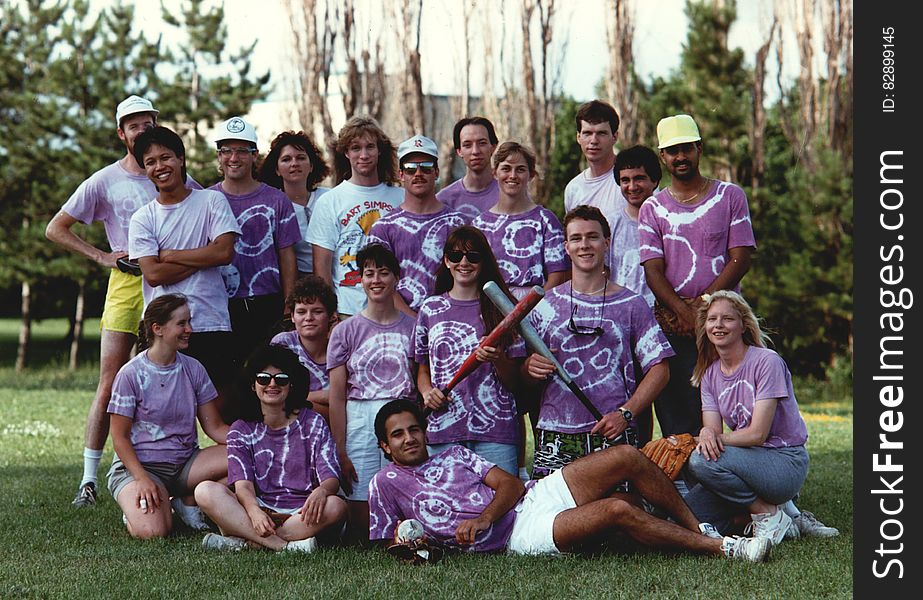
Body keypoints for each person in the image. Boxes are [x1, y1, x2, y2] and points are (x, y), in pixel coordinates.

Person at [368, 399, 770, 561]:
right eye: (398, 435)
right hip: (519, 535)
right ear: (385, 446)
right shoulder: (385, 483)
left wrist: (484, 517)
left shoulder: (454, 453)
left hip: (528, 499)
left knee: (627, 456)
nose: (409, 439)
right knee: (618, 509)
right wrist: (412, 546)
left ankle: (696, 525)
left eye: (413, 429)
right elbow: (386, 540)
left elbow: (509, 484)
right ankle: (723, 547)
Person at [45, 95, 201, 508]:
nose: (140, 130)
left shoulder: (173, 172)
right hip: (126, 282)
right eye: (131, 125)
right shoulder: (105, 180)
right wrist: (101, 256)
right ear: (121, 133)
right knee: (112, 380)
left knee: (175, 376)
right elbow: (55, 228)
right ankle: (89, 479)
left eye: (146, 122)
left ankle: (179, 479)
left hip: (168, 285)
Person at [522, 206, 673, 478]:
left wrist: (626, 414)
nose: (584, 245)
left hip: (611, 429)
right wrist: (529, 368)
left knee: (618, 514)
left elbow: (660, 369)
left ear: (606, 242)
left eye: (592, 237)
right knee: (551, 516)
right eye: (576, 238)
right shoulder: (545, 305)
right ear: (566, 247)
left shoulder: (632, 304)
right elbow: (522, 375)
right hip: (555, 432)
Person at [683, 291, 839, 543]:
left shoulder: (767, 362)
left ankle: (766, 513)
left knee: (701, 461)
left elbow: (758, 434)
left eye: (727, 319)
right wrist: (705, 433)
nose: (718, 325)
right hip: (747, 462)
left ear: (743, 324)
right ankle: (781, 517)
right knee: (685, 515)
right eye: (712, 319)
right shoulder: (710, 375)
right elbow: (712, 433)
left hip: (783, 461)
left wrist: (710, 438)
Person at [638, 114, 756, 446]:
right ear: (663, 157)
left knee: (739, 403)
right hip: (675, 324)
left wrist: (704, 307)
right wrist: (684, 313)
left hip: (724, 320)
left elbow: (741, 257)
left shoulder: (730, 196)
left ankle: (746, 481)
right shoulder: (653, 208)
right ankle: (688, 489)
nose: (680, 157)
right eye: (672, 151)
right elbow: (652, 270)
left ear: (699, 149)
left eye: (686, 149)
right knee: (680, 413)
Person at [128, 126, 242, 422]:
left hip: (211, 322)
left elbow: (224, 252)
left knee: (222, 413)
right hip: (161, 330)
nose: (159, 166)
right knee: (160, 413)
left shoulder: (211, 201)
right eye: (150, 162)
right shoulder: (143, 218)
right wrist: (203, 253)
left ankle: (228, 468)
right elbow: (153, 274)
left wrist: (171, 255)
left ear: (180, 159)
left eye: (165, 157)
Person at [194, 345, 347, 552]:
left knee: (336, 506)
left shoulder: (313, 422)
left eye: (281, 379)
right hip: (259, 507)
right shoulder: (241, 429)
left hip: (301, 512)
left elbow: (330, 476)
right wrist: (255, 512)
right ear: (252, 385)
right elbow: (243, 485)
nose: (272, 384)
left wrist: (322, 491)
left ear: (291, 384)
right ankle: (283, 547)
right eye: (263, 379)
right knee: (205, 491)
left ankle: (248, 542)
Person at [106, 294, 229, 539]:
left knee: (242, 455)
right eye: (181, 323)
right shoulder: (130, 374)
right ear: (157, 329)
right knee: (154, 532)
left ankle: (188, 500)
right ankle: (137, 508)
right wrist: (141, 479)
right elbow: (119, 437)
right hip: (140, 468)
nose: (189, 330)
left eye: (189, 322)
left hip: (185, 464)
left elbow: (214, 427)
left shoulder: (194, 368)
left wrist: (255, 438)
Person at [326, 244, 417, 543]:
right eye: (369, 273)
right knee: (360, 518)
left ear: (396, 278)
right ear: (360, 279)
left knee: (404, 487)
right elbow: (337, 396)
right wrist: (340, 447)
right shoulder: (345, 331)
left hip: (401, 412)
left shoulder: (414, 328)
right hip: (360, 416)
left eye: (383, 272)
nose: (376, 280)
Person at [416, 226, 524, 476]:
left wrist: (498, 359)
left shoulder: (504, 308)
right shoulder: (430, 309)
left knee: (502, 507)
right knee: (447, 505)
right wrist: (426, 392)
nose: (464, 262)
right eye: (455, 256)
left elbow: (517, 382)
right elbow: (422, 368)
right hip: (443, 427)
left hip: (496, 431)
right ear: (446, 261)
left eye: (473, 256)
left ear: (483, 261)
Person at [209, 117, 300, 366]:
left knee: (266, 373)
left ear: (254, 155)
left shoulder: (277, 200)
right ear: (219, 156)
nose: (233, 158)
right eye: (226, 151)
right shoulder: (206, 200)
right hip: (220, 302)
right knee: (227, 379)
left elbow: (286, 253)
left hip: (267, 302)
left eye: (241, 151)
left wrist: (289, 304)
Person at [307, 116, 404, 318]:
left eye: (370, 147)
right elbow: (322, 266)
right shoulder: (330, 201)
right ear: (345, 152)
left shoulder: (401, 197)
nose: (364, 155)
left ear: (380, 150)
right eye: (355, 148)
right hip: (349, 310)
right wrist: (330, 312)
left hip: (397, 310)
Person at [367, 134, 466, 317]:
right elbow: (379, 283)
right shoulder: (383, 229)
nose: (418, 173)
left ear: (436, 172)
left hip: (450, 322)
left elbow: (468, 278)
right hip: (398, 325)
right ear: (401, 174)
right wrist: (415, 321)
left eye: (426, 167)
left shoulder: (458, 224)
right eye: (411, 168)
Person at [472, 142, 569, 299]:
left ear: (531, 175)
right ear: (494, 173)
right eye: (506, 168)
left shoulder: (546, 221)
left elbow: (558, 275)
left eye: (520, 169)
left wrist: (530, 308)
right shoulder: (480, 225)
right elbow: (473, 275)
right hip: (491, 306)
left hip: (537, 306)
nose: (512, 175)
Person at [258, 130, 331, 277]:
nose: (294, 164)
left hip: (335, 275)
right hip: (296, 280)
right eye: (286, 159)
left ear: (311, 166)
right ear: (277, 169)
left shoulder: (329, 198)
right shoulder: (273, 206)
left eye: (301, 158)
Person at [270, 275, 338, 420]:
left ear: (332, 316)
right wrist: (324, 396)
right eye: (301, 312)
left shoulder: (341, 346)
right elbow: (277, 393)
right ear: (293, 317)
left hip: (336, 422)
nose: (308, 318)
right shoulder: (283, 343)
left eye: (317, 311)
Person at [563, 100, 626, 237]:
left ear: (615, 136)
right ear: (578, 137)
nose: (594, 140)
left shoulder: (633, 180)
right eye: (587, 133)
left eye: (601, 133)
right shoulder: (573, 189)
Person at [612, 145, 660, 307]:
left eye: (639, 178)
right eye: (625, 180)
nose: (632, 187)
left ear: (654, 180)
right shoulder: (610, 224)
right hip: (621, 313)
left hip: (664, 318)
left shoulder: (670, 222)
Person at [436, 116, 500, 221]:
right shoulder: (444, 200)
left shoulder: (510, 194)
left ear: (493, 146)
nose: (475, 151)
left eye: (482, 143)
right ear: (459, 151)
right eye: (467, 145)